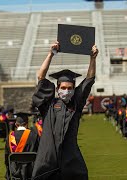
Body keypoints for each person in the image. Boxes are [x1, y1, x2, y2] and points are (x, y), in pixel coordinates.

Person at [31, 41, 98, 179]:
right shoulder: (48, 105)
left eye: (69, 88)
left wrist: (93, 58)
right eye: (63, 88)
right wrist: (51, 54)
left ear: (74, 89)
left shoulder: (76, 105)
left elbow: (89, 80)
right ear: (57, 89)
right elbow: (41, 77)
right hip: (47, 158)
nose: (66, 91)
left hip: (70, 158)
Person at [4, 112, 39, 180]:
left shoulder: (10, 137)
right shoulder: (34, 135)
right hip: (31, 171)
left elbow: (6, 157)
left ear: (16, 124)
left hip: (15, 170)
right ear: (27, 124)